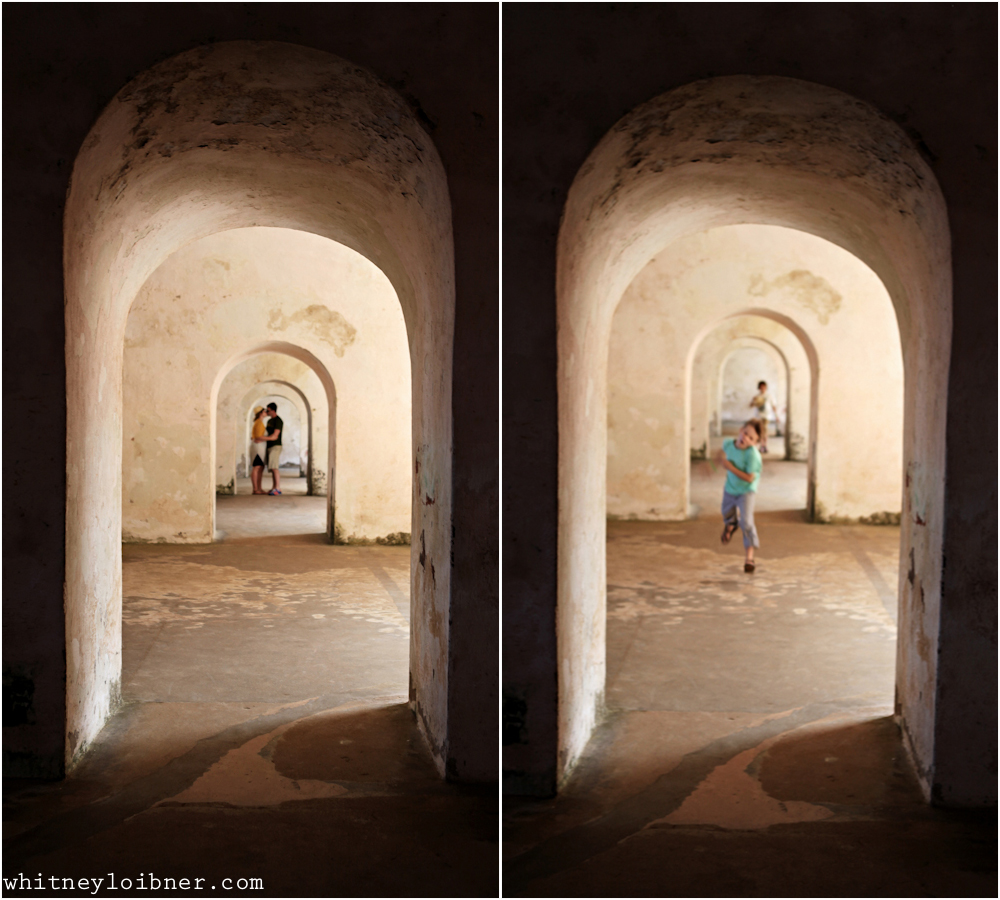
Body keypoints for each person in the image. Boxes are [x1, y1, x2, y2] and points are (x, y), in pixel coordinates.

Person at [717, 420, 763, 573]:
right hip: (730, 488)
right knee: (726, 512)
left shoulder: (753, 455)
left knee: (747, 522)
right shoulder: (729, 444)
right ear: (740, 430)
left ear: (755, 442)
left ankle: (749, 558)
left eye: (751, 438)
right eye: (745, 433)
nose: (746, 438)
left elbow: (750, 478)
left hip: (746, 492)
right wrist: (713, 463)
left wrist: (730, 467)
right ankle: (730, 525)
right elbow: (721, 453)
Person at [749, 380, 778, 453]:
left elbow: (773, 406)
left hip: (766, 416)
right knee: (760, 432)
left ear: (766, 387)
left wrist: (776, 416)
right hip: (758, 416)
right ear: (759, 387)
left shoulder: (769, 396)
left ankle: (764, 445)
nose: (762, 388)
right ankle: (762, 446)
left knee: (764, 432)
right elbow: (751, 405)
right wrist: (753, 400)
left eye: (764, 386)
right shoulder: (757, 396)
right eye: (761, 386)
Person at [264, 402, 283, 496]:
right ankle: (273, 487)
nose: (267, 412)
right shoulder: (269, 421)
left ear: (273, 410)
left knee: (275, 467)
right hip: (269, 446)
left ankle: (278, 488)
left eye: (268, 410)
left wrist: (261, 438)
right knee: (272, 467)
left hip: (275, 446)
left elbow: (275, 436)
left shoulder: (278, 421)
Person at [249, 406, 268, 494]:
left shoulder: (259, 422)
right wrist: (271, 438)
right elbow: (257, 437)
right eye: (264, 411)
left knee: (260, 467)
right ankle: (255, 489)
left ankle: (259, 488)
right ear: (261, 413)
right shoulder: (259, 423)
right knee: (256, 467)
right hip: (257, 448)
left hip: (260, 447)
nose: (266, 412)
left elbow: (254, 437)